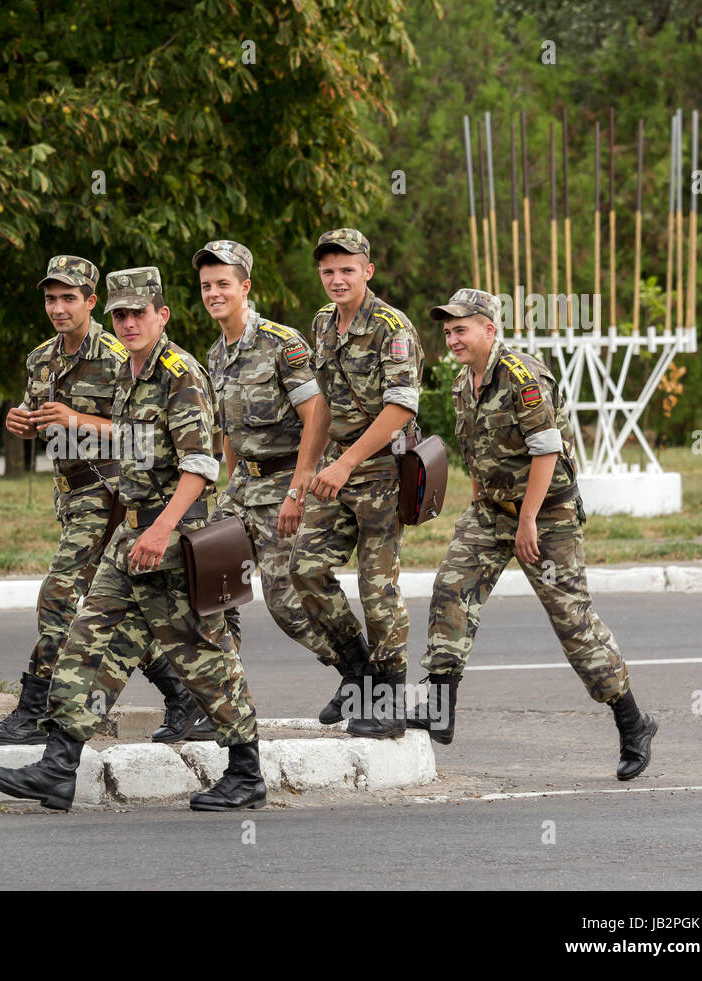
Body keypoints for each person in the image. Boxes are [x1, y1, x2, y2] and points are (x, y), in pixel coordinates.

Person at [0, 267, 264, 812]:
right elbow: (133, 444)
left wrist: (161, 530)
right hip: (132, 537)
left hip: (175, 540)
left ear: (162, 315)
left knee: (204, 654)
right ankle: (57, 767)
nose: (130, 322)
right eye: (121, 314)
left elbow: (201, 465)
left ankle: (247, 771)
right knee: (87, 642)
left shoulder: (179, 373)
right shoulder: (128, 374)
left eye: (140, 313)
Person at [410, 288, 657, 780]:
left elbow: (545, 451)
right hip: (491, 511)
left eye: (461, 329)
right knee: (450, 592)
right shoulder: (463, 383)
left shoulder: (524, 377)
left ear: (489, 329)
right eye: (448, 331)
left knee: (572, 621)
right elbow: (477, 449)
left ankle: (633, 723)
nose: (453, 339)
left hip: (546, 517)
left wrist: (527, 520)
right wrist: (478, 499)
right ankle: (440, 710)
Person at [0, 256, 204, 746]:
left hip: (111, 494)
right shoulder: (42, 358)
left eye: (69, 299)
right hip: (71, 494)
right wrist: (22, 422)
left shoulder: (118, 352)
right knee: (117, 606)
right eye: (50, 299)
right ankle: (183, 695)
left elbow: (144, 434)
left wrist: (78, 420)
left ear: (91, 302)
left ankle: (35, 710)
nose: (58, 308)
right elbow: (44, 417)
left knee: (58, 595)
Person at [195, 240, 343, 721]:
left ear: (245, 287)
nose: (214, 293)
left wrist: (299, 491)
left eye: (223, 284)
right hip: (243, 489)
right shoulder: (215, 355)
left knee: (287, 604)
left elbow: (317, 417)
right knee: (207, 586)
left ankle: (360, 674)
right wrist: (228, 485)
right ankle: (218, 698)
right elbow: (230, 432)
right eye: (206, 286)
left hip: (285, 485)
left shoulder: (282, 343)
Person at [289, 228, 422, 737]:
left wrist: (346, 464)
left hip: (385, 468)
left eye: (347, 269)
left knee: (376, 586)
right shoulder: (323, 323)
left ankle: (386, 702)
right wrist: (306, 472)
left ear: (367, 270)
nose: (337, 279)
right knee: (305, 567)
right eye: (328, 271)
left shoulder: (393, 327)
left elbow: (401, 407)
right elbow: (321, 404)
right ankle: (358, 673)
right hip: (338, 469)